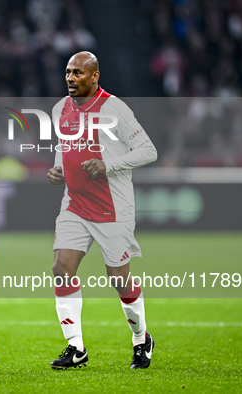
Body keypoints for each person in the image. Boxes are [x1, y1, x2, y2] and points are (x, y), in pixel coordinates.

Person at [47, 51, 157, 370]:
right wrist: (58, 169)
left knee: (120, 280)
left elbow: (148, 151)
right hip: (75, 204)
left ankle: (141, 339)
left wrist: (107, 164)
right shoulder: (60, 108)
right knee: (61, 267)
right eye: (68, 72)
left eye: (78, 73)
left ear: (95, 76)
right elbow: (63, 145)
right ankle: (76, 348)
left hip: (113, 208)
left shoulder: (114, 109)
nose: (70, 78)